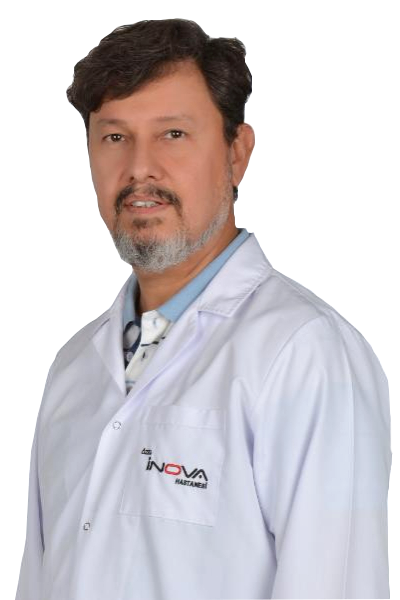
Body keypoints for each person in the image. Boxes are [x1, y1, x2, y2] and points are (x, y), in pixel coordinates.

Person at [16, 18, 392, 600]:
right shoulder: (73, 367)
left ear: (236, 153)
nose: (140, 168)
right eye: (114, 137)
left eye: (173, 133)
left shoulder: (306, 355)